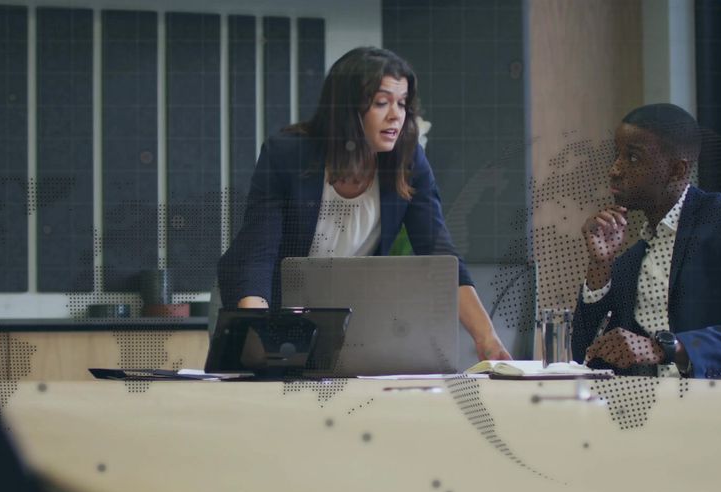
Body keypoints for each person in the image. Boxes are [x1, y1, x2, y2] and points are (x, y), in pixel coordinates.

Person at [218, 46, 510, 360]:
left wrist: (488, 340)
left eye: (402, 103)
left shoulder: (407, 161)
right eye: (381, 102)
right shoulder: (288, 155)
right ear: (346, 108)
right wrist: (261, 333)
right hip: (273, 308)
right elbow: (258, 253)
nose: (396, 114)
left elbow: (440, 256)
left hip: (346, 321)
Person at [571, 103, 721, 379]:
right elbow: (584, 354)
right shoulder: (633, 258)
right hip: (658, 407)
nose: (615, 170)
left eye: (632, 158)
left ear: (677, 171)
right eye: (616, 155)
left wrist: (666, 348)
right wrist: (600, 267)